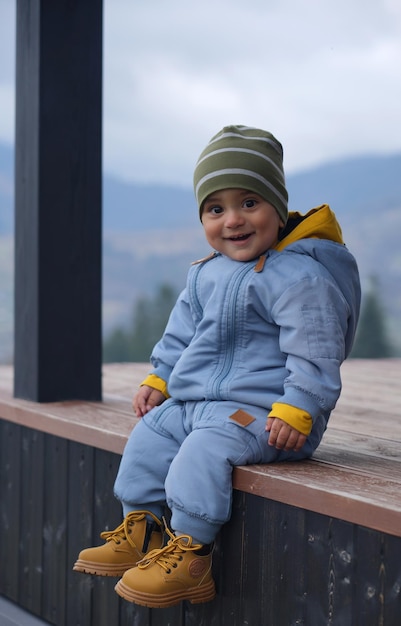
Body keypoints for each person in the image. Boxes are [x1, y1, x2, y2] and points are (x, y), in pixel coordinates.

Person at [73, 125, 361, 608]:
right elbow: (181, 334)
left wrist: (299, 407)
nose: (233, 220)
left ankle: (191, 554)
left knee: (202, 452)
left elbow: (316, 349)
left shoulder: (299, 276)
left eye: (250, 202)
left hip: (267, 418)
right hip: (198, 404)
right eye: (216, 208)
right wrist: (160, 378)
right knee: (150, 433)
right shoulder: (207, 272)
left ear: (276, 204)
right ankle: (142, 529)